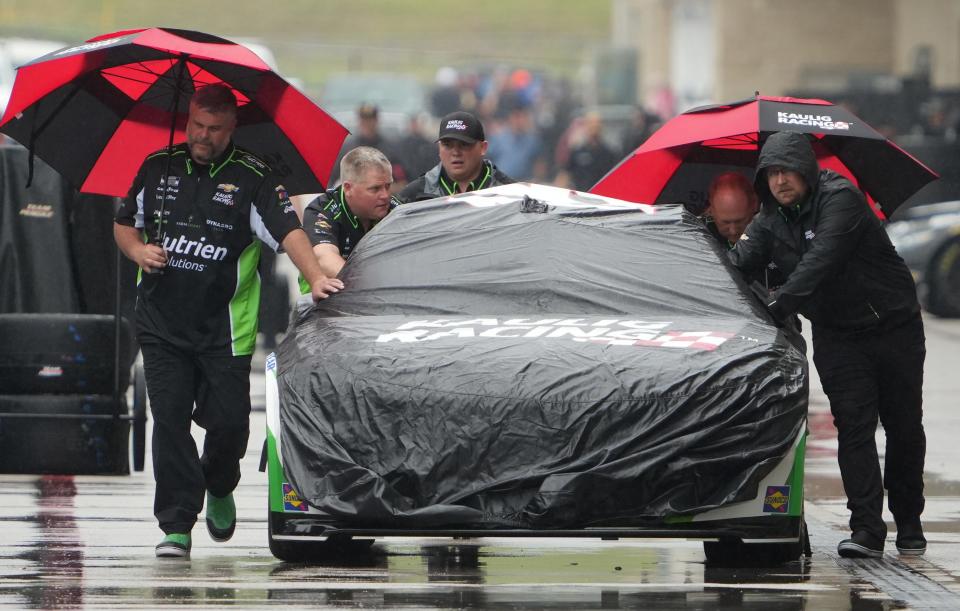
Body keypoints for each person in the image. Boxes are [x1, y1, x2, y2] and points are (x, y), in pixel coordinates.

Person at [114, 84, 342, 559]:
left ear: (231, 128)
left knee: (230, 425)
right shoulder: (159, 166)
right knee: (170, 421)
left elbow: (290, 233)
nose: (202, 135)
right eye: (197, 124)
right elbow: (123, 221)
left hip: (226, 329)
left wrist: (316, 277)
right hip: (160, 322)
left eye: (214, 129)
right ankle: (176, 525)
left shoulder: (255, 178)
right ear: (188, 119)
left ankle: (219, 484)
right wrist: (138, 249)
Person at [729, 131, 927, 559]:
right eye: (771, 174)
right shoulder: (767, 221)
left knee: (904, 428)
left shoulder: (842, 199)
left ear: (806, 170)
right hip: (839, 337)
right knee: (854, 427)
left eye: (787, 171)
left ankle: (909, 521)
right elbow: (736, 268)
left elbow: (821, 261)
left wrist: (778, 305)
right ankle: (867, 530)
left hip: (893, 327)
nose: (780, 181)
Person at [300, 146, 399, 280]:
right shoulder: (322, 209)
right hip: (325, 296)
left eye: (388, 186)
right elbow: (324, 259)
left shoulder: (397, 210)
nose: (385, 196)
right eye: (375, 189)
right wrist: (369, 284)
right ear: (348, 188)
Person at [397, 110, 514, 203]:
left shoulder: (511, 193)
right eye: (447, 145)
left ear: (483, 148)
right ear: (439, 148)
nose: (455, 152)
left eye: (464, 145)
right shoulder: (413, 196)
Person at [556, 112, 619, 191]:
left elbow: (615, 179)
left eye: (597, 124)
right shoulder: (577, 151)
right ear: (586, 126)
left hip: (600, 198)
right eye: (591, 123)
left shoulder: (609, 153)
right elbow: (565, 174)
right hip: (580, 195)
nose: (594, 126)